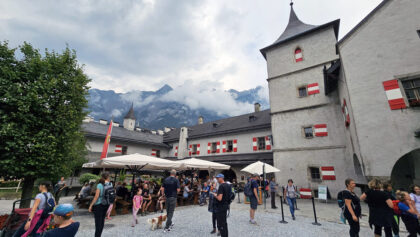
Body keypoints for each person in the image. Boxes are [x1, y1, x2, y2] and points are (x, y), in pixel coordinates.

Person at [89, 172, 111, 237]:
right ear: (107, 177)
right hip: (107, 204)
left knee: (98, 222)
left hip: (99, 204)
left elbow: (96, 196)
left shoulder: (100, 185)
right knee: (102, 221)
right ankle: (99, 235)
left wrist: (91, 205)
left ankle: (97, 235)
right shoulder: (110, 184)